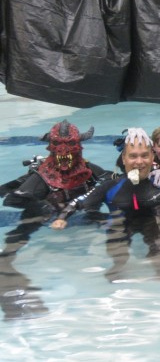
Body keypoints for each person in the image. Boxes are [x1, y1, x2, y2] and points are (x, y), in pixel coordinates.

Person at [50, 128, 160, 282]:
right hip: (120, 223)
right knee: (118, 249)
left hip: (155, 224)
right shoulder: (111, 186)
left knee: (158, 249)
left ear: (152, 157)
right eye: (133, 156)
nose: (139, 162)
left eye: (144, 156)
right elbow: (80, 201)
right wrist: (62, 217)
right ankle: (118, 267)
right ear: (124, 158)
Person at [0, 120, 109, 319]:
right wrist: (43, 206)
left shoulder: (88, 171)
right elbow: (13, 199)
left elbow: (111, 180)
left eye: (70, 145)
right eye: (58, 145)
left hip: (80, 226)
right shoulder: (42, 177)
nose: (64, 151)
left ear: (78, 147)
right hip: (42, 219)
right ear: (51, 147)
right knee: (11, 248)